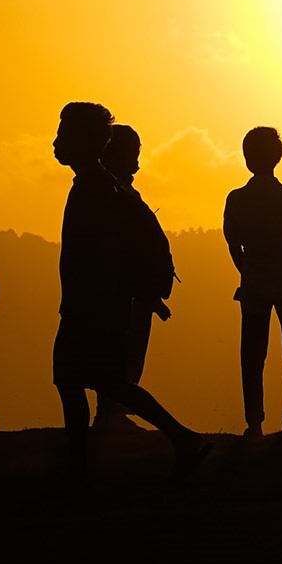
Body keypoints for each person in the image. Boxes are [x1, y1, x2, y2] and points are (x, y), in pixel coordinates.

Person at [51, 101, 212, 483]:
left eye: (63, 135)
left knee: (77, 381)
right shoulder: (100, 188)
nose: (55, 143)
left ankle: (79, 467)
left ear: (86, 142)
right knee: (100, 382)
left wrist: (96, 307)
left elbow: (105, 257)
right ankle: (182, 440)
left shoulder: (98, 192)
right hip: (94, 308)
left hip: (93, 310)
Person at [225, 126, 282, 437]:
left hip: (254, 282)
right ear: (278, 157)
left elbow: (233, 244)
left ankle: (254, 422)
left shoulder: (236, 200)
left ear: (247, 159)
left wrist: (246, 270)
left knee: (252, 355)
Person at [103, 121, 174, 411]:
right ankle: (112, 414)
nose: (137, 163)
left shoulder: (119, 194)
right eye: (133, 154)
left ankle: (112, 413)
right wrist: (147, 294)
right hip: (128, 297)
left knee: (126, 357)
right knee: (123, 358)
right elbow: (128, 254)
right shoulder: (113, 196)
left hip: (137, 295)